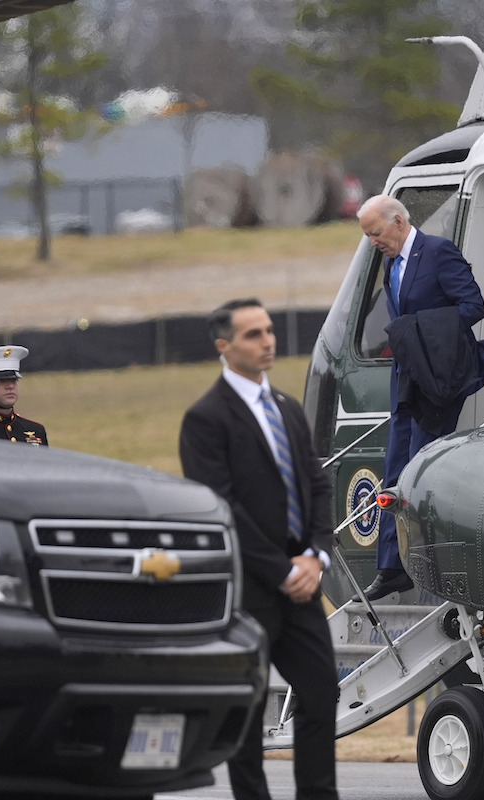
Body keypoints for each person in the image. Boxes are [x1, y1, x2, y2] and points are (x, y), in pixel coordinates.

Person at [178, 298, 339, 800]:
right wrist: (282, 571)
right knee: (246, 711)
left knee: (321, 692)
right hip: (250, 589)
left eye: (268, 330)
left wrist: (315, 557)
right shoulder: (205, 418)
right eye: (253, 334)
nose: (267, 341)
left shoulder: (286, 407)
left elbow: (317, 485)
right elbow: (222, 506)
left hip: (302, 581)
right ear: (224, 347)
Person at [356, 194, 484, 601]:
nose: (373, 242)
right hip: (405, 377)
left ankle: (430, 566)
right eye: (368, 236)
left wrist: (419, 332)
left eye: (375, 233)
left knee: (422, 468)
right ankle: (392, 567)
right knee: (395, 467)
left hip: (438, 375)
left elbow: (473, 306)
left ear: (397, 221)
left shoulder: (439, 252)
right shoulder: (391, 264)